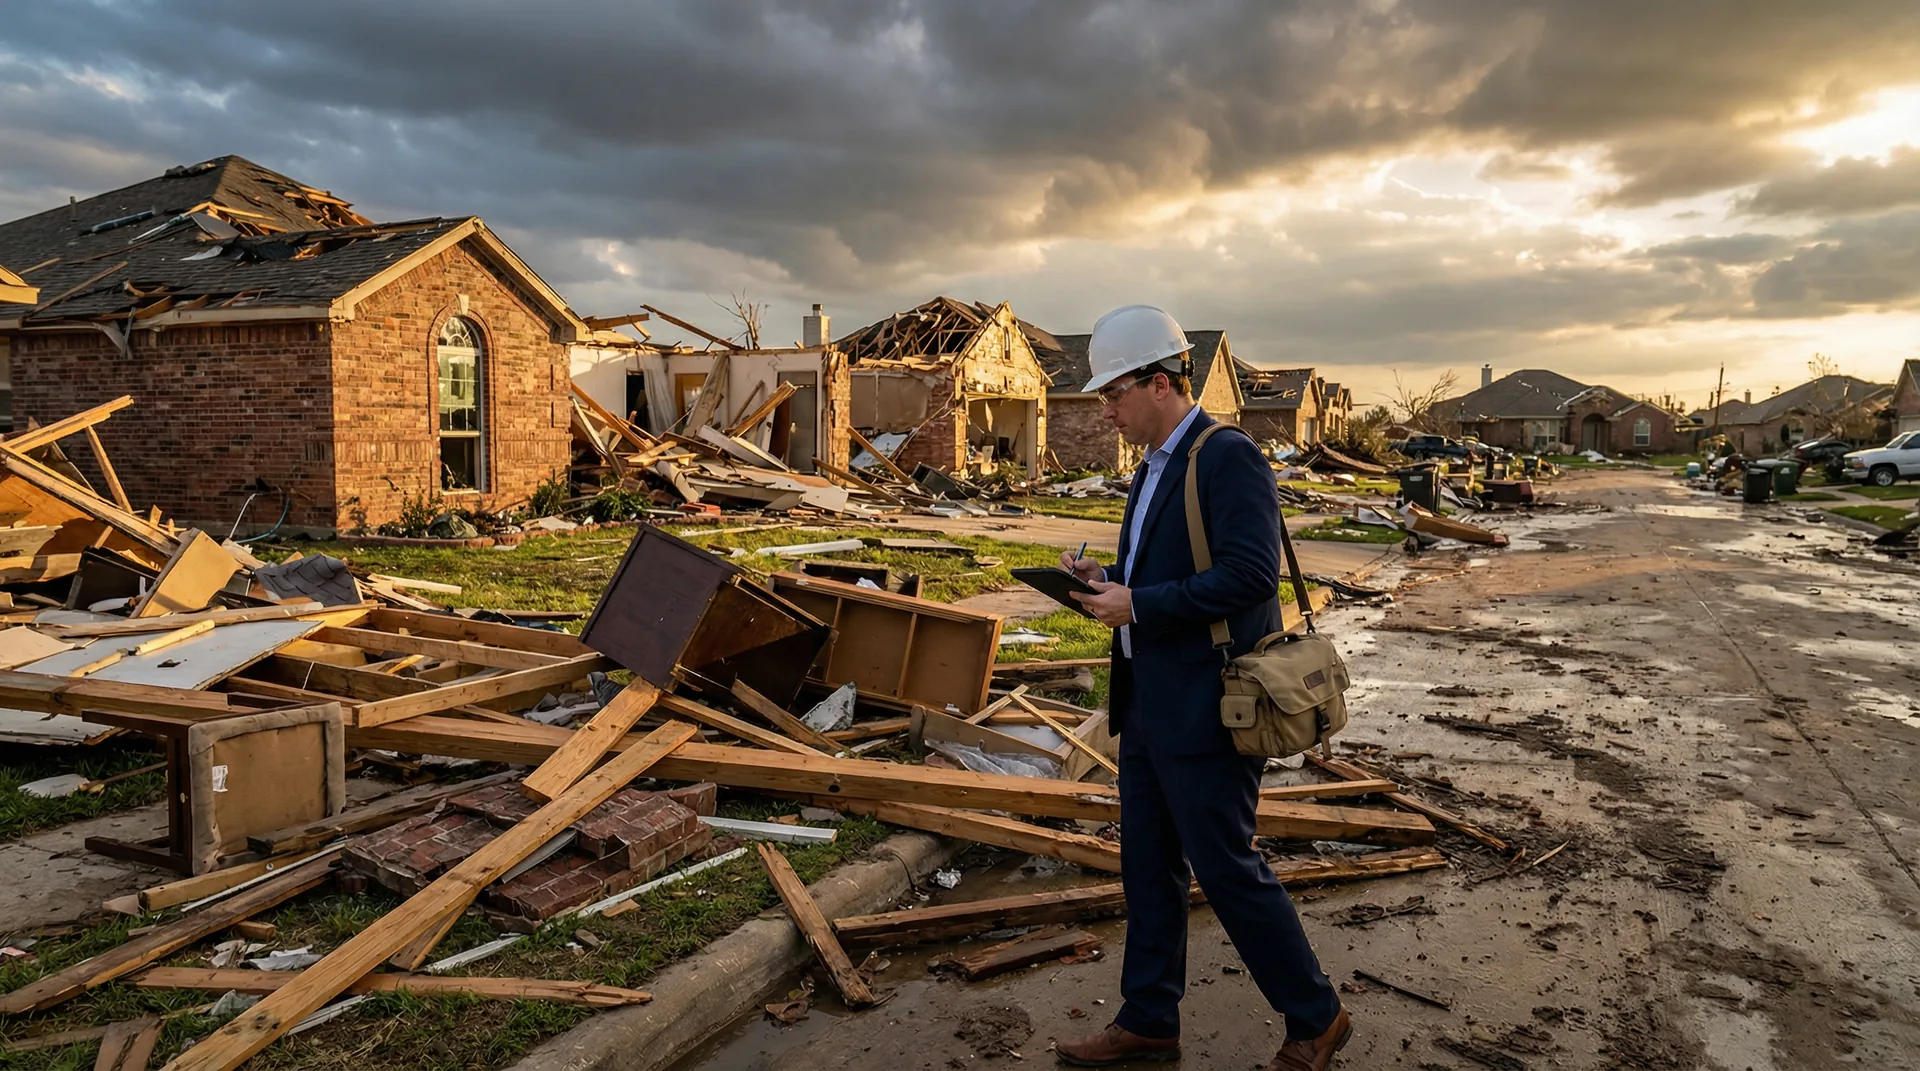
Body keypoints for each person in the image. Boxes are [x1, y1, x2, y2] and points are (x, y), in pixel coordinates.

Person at [1052, 306, 1350, 1070]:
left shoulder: (1228, 456)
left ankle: (1315, 1016)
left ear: (1160, 381)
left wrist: (1141, 604)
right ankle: (1149, 1017)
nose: (1106, 410)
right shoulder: (1151, 467)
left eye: (1114, 395)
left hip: (1212, 706)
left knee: (1225, 865)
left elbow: (1252, 576)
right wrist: (1107, 583)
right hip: (1149, 700)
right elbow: (1168, 571)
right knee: (1147, 863)